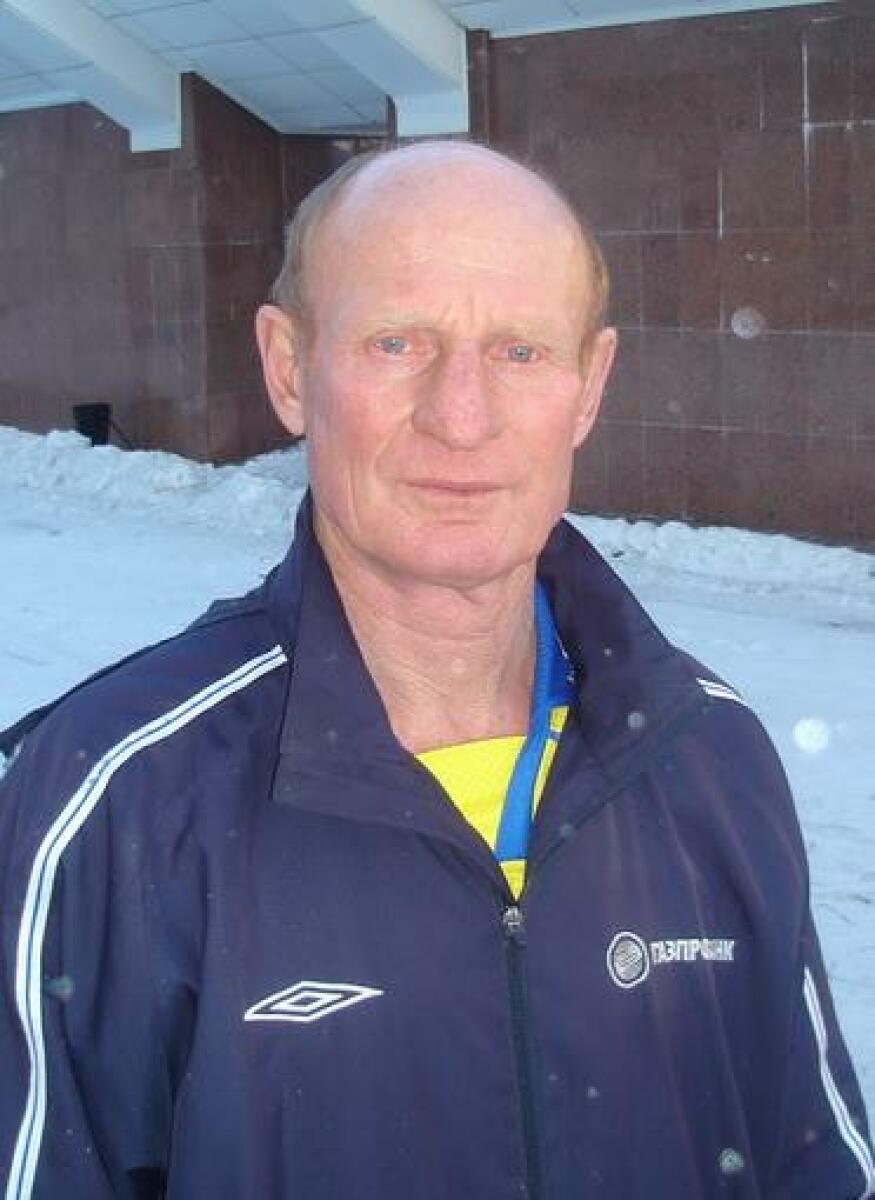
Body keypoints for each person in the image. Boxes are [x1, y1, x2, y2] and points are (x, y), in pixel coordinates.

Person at [0, 142, 872, 1200]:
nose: (460, 416)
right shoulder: (109, 805)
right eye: (397, 342)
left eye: (519, 351)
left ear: (588, 387)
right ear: (289, 368)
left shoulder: (709, 755)